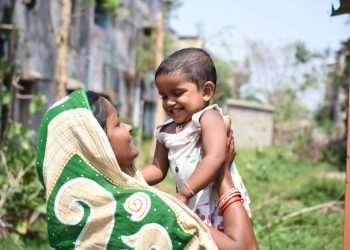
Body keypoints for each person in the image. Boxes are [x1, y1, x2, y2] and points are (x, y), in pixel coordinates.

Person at [36, 89, 257, 249]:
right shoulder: (145, 211)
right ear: (96, 144)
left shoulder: (68, 223)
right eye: (117, 124)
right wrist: (222, 172)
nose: (129, 127)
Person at [142, 48, 251, 230]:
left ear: (206, 91)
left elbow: (215, 158)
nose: (169, 102)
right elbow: (157, 169)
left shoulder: (209, 118)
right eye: (164, 96)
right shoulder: (166, 131)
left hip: (218, 203)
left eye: (177, 93)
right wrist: (130, 179)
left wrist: (184, 194)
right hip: (192, 204)